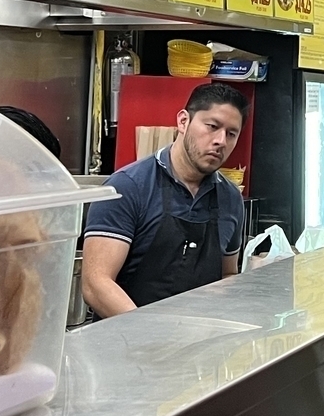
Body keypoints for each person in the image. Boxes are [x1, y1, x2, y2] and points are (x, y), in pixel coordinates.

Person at [80, 81, 247, 315]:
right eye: (212, 126)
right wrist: (153, 337)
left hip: (198, 343)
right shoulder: (127, 187)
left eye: (231, 134)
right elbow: (96, 284)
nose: (221, 141)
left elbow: (227, 274)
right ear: (183, 121)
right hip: (126, 343)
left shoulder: (230, 199)